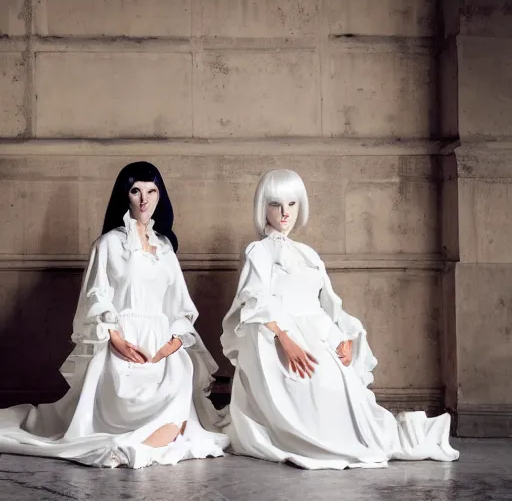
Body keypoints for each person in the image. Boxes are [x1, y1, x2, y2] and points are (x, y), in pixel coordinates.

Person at [221, 169, 459, 470]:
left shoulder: (308, 254)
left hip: (316, 335)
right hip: (277, 341)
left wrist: (344, 337)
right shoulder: (258, 251)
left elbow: (326, 306)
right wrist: (285, 340)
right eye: (275, 204)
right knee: (320, 386)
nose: (284, 213)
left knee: (348, 393)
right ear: (262, 207)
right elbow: (254, 303)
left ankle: (381, 435)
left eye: (292, 204)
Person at [0, 161, 228, 468]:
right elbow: (97, 295)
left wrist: (171, 345)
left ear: (160, 197)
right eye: (136, 191)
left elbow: (180, 306)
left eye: (151, 191)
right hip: (123, 344)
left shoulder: (165, 249)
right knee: (127, 394)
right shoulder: (109, 244)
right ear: (126, 196)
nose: (144, 199)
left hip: (161, 346)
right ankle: (137, 442)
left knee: (182, 371)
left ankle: (146, 442)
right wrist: (117, 340)